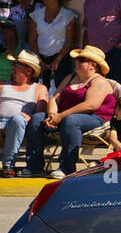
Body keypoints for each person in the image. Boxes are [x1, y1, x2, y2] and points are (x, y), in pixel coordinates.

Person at [24, 45, 116, 178]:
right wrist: (52, 115)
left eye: (81, 60)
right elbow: (55, 98)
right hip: (65, 116)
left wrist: (61, 116)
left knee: (71, 121)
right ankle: (34, 166)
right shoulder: (70, 77)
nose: (76, 62)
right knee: (37, 118)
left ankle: (67, 167)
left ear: (93, 65)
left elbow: (91, 105)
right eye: (77, 59)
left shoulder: (99, 82)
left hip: (95, 118)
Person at [28, 0, 79, 90]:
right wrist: (39, 60)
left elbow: (70, 41)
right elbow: (32, 40)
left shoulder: (68, 16)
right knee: (40, 91)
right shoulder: (35, 15)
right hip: (40, 58)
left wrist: (57, 60)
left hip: (61, 59)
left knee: (60, 91)